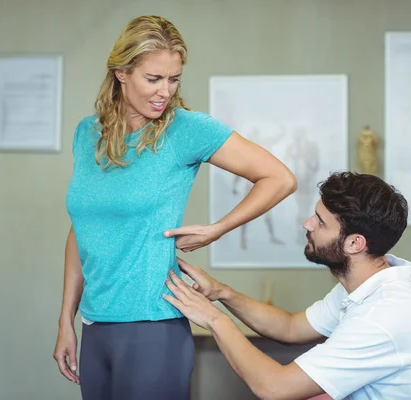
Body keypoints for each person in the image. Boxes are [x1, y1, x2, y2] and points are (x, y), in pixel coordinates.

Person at [53, 15, 297, 400]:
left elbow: (280, 178)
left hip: (155, 325)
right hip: (95, 325)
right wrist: (66, 319)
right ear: (121, 73)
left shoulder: (187, 130)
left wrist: (218, 228)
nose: (165, 91)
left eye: (174, 79)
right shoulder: (88, 134)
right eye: (153, 79)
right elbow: (82, 228)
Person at [164, 171, 411, 400]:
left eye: (320, 222)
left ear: (354, 243)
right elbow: (290, 327)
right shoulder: (369, 286)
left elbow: (274, 388)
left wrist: (213, 319)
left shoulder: (381, 317)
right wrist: (220, 292)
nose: (307, 224)